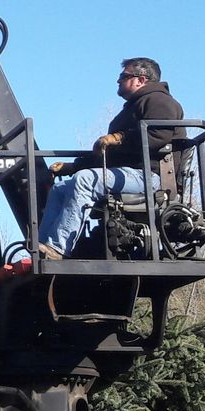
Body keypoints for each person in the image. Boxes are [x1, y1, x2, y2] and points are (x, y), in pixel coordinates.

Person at [35, 57, 185, 259]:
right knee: (60, 189)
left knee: (85, 180)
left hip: (149, 177)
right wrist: (73, 167)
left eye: (124, 76)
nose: (118, 81)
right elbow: (111, 155)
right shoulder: (133, 107)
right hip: (126, 174)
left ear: (140, 79)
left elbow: (158, 136)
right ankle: (42, 248)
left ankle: (59, 248)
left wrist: (119, 137)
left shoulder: (159, 101)